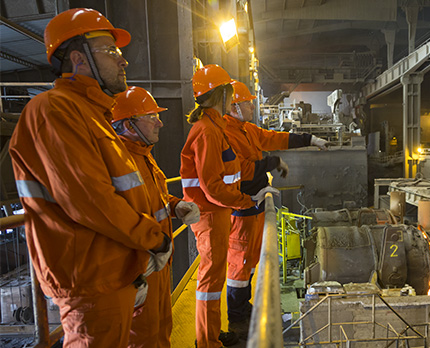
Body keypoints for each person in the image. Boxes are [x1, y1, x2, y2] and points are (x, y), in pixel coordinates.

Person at [9, 8, 171, 348]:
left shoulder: (93, 115)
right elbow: (90, 199)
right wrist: (153, 238)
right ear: (79, 59)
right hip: (89, 278)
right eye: (111, 51)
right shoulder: (54, 110)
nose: (122, 61)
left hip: (115, 270)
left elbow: (123, 192)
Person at [180, 65, 278, 348]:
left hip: (218, 213)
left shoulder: (214, 128)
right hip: (211, 215)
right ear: (220, 95)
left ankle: (210, 333)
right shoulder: (207, 131)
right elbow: (212, 187)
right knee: (210, 283)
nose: (234, 99)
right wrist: (247, 200)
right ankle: (207, 340)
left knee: (213, 282)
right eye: (230, 93)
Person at [223, 80, 330, 338]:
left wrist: (310, 139)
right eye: (248, 102)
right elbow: (244, 171)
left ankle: (243, 307)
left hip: (254, 204)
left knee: (248, 263)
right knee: (239, 264)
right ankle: (236, 316)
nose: (252, 106)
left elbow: (274, 137)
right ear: (235, 106)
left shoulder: (245, 129)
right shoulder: (228, 133)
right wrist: (273, 162)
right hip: (242, 206)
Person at [111, 86, 201, 348]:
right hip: (139, 268)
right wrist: (132, 274)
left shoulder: (144, 156)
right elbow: (112, 217)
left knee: (161, 330)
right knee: (143, 337)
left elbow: (153, 201)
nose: (159, 122)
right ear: (128, 124)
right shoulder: (118, 160)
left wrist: (176, 207)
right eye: (151, 116)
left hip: (158, 263)